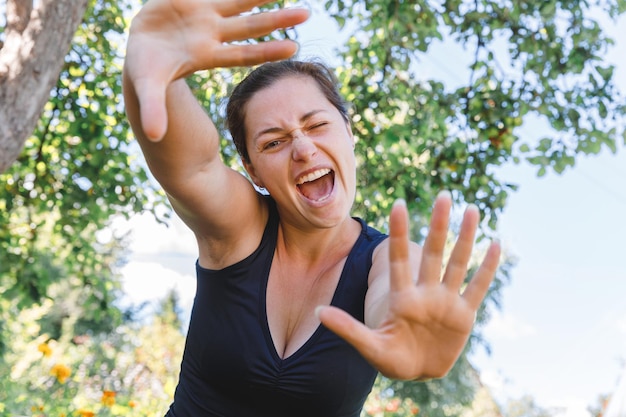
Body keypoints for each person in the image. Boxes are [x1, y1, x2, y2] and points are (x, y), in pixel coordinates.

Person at [122, 1, 501, 416]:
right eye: (273, 142)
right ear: (254, 171)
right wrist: (155, 68)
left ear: (349, 133)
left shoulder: (387, 259)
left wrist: (404, 330)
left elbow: (394, 296)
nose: (303, 148)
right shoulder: (241, 228)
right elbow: (192, 167)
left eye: (317, 124)